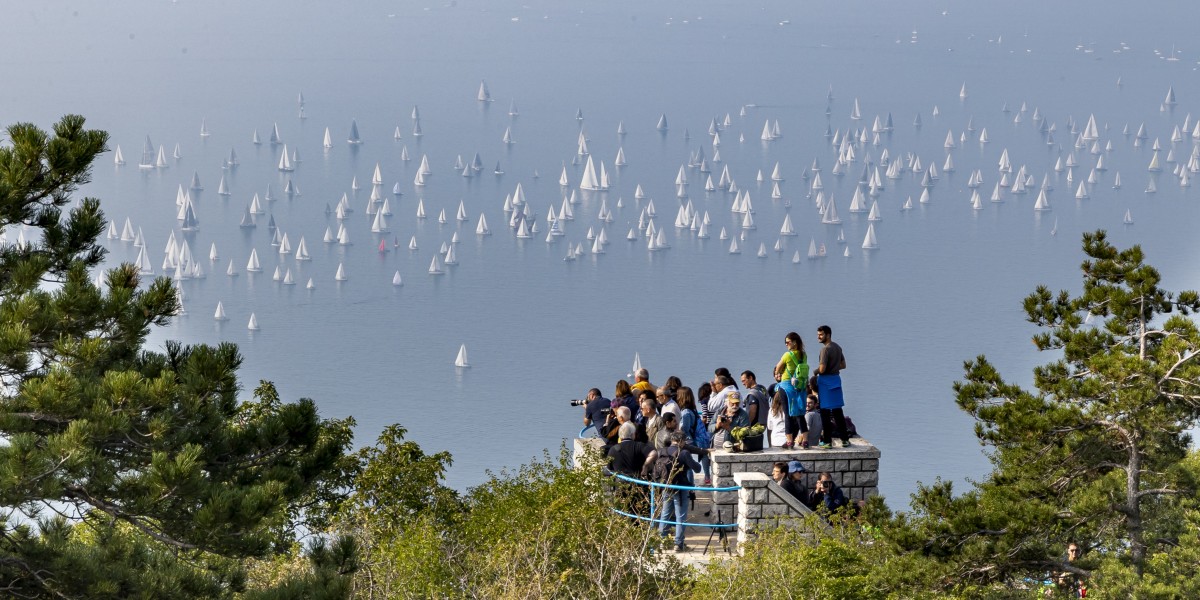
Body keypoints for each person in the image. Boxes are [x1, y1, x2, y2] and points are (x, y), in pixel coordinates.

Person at [649, 431, 702, 552]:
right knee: (680, 517)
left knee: (665, 514)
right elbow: (698, 469)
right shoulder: (683, 453)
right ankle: (678, 544)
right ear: (681, 441)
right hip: (681, 488)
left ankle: (662, 542)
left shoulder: (662, 451)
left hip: (666, 487)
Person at [815, 325, 850, 448]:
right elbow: (843, 365)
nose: (818, 337)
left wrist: (815, 372)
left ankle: (827, 441)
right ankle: (845, 439)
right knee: (837, 411)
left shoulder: (825, 350)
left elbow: (822, 369)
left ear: (828, 335)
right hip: (836, 380)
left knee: (824, 412)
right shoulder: (838, 347)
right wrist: (834, 367)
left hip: (825, 382)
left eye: (821, 334)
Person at [773, 332, 810, 449]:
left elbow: (777, 369)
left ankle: (789, 441)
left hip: (787, 386)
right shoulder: (803, 355)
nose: (786, 344)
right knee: (800, 413)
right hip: (800, 386)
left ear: (795, 342)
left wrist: (783, 370)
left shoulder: (787, 355)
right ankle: (805, 441)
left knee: (788, 413)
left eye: (788, 342)